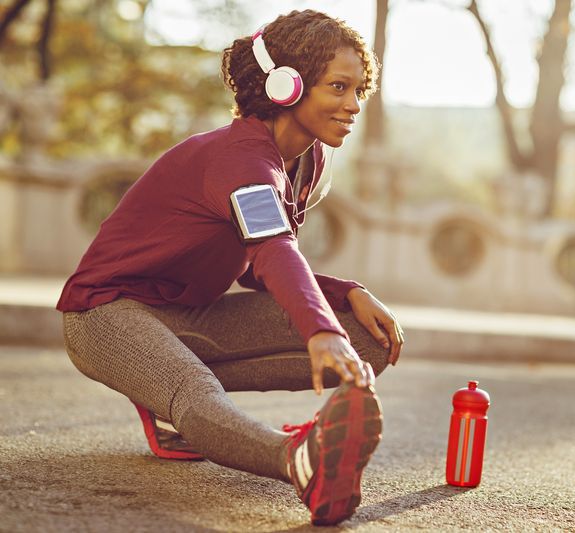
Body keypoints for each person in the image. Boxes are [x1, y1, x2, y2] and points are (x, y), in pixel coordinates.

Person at [56, 9, 404, 526]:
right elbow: (273, 250)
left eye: (360, 91)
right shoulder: (240, 160)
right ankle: (298, 460)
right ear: (287, 85)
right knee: (197, 395)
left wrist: (343, 295)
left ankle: (170, 395)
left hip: (189, 316)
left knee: (366, 343)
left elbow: (255, 263)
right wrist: (318, 328)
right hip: (104, 316)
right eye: (338, 87)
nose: (353, 105)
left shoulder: (307, 162)